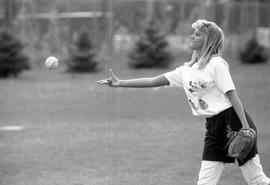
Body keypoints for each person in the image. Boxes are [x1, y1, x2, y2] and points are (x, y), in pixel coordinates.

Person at [97, 19, 270, 185]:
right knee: (204, 182)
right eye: (193, 33)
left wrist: (246, 128)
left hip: (234, 122)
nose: (192, 36)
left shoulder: (216, 64)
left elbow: (232, 96)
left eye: (198, 34)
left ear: (209, 41)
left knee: (256, 180)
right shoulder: (186, 71)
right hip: (212, 127)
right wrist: (120, 83)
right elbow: (151, 81)